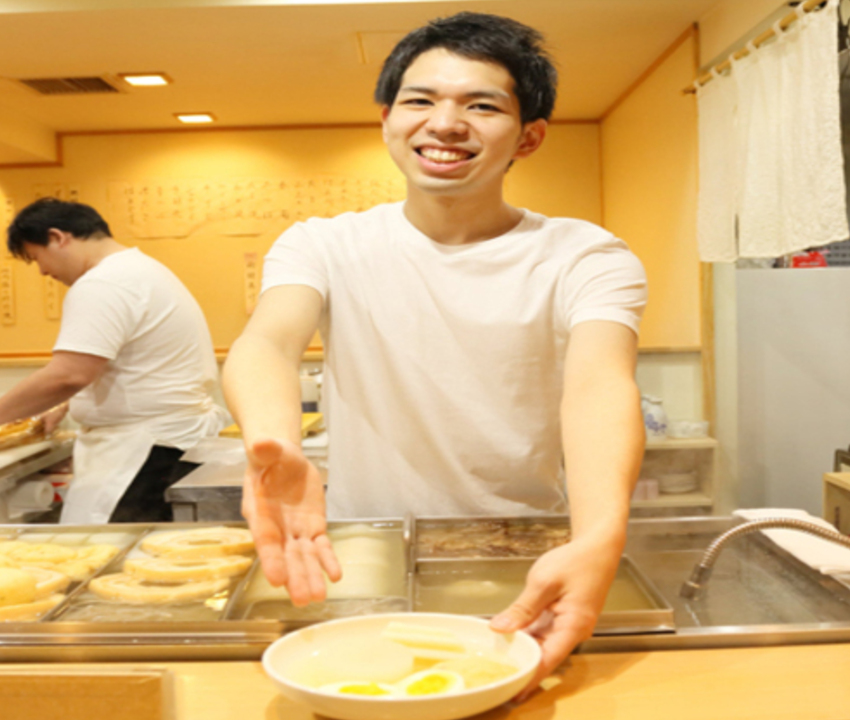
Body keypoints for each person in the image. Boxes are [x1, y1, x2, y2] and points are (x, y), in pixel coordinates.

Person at [221, 12, 647, 696]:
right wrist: (274, 443)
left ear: (529, 136)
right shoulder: (323, 244)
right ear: (388, 120)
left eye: (482, 106)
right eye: (420, 100)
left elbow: (600, 387)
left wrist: (599, 535)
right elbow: (267, 342)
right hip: (361, 547)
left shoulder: (585, 255)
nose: (445, 124)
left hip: (519, 544)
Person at [0, 198, 229, 524]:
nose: (43, 271)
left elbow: (68, 375)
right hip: (168, 443)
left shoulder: (103, 282)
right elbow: (131, 364)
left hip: (143, 453)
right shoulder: (141, 270)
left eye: (37, 257)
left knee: (119, 551)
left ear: (58, 237)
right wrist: (65, 405)